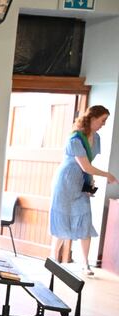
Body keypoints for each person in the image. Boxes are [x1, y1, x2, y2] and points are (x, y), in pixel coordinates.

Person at [49, 105, 117, 275]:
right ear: (93, 118)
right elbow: (85, 166)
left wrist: (90, 184)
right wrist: (107, 175)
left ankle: (85, 264)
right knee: (63, 220)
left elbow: (89, 167)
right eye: (103, 120)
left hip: (81, 183)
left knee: (85, 221)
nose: (104, 124)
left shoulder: (97, 138)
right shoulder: (75, 139)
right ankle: (52, 258)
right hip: (65, 183)